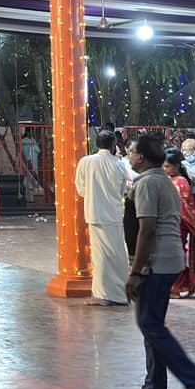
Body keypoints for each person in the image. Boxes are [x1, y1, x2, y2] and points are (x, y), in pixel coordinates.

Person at [123, 131, 195, 389]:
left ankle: (193, 378)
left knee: (149, 324)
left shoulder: (147, 183)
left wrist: (136, 272)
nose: (130, 155)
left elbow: (146, 230)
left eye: (133, 151)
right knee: (152, 325)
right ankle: (155, 388)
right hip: (169, 259)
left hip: (157, 262)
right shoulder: (164, 181)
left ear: (143, 157)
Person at [74, 130, 132, 305]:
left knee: (100, 257)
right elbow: (124, 189)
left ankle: (104, 295)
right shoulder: (119, 164)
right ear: (114, 144)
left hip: (95, 213)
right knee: (119, 254)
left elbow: (80, 189)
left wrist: (94, 195)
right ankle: (121, 292)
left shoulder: (86, 162)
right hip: (114, 214)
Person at [164, 148, 195, 295]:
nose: (165, 169)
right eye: (163, 166)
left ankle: (177, 286)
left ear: (176, 166)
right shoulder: (170, 180)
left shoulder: (181, 181)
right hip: (168, 223)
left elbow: (185, 205)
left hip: (178, 224)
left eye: (167, 166)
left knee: (175, 254)